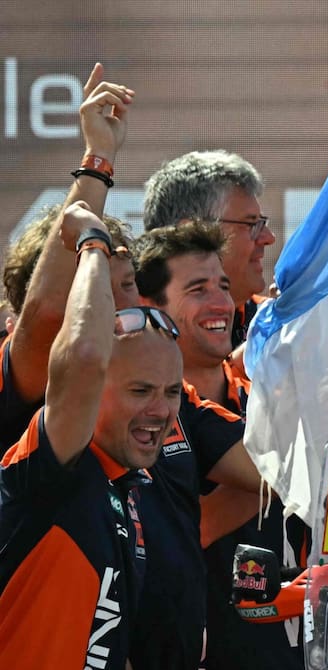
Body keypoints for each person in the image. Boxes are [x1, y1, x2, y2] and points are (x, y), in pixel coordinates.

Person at [0, 200, 174, 670]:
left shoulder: (126, 489)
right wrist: (93, 241)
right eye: (140, 391)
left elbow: (106, 640)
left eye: (171, 392)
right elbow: (82, 357)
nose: (161, 411)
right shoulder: (48, 469)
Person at [134, 225, 310, 670]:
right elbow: (179, 537)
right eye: (196, 288)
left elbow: (282, 476)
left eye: (222, 285)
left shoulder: (251, 401)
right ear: (150, 309)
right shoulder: (145, 415)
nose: (219, 302)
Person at [0, 64, 141, 452]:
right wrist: (99, 157)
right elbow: (47, 311)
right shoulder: (30, 377)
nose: (117, 303)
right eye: (94, 285)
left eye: (127, 284)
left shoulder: (166, 391)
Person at [142, 150, 277, 348]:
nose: (268, 238)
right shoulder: (128, 332)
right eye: (251, 224)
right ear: (191, 233)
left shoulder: (272, 321)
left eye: (262, 223)